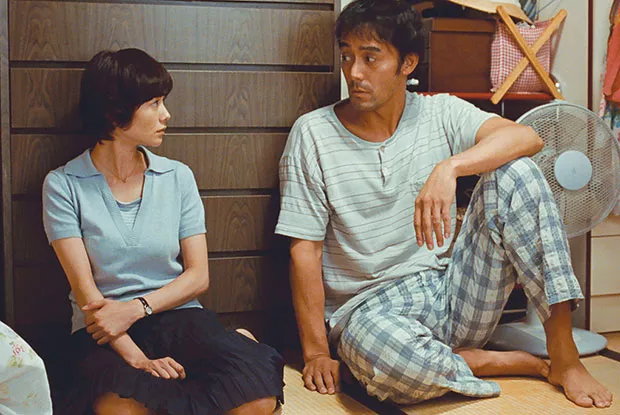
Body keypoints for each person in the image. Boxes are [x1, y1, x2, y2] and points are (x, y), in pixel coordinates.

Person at [275, 0, 613, 409]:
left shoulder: (439, 111)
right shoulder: (312, 134)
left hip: (450, 292)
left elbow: (527, 138)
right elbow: (305, 251)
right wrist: (316, 353)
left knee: (518, 173)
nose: (354, 73)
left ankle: (563, 355)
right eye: (347, 56)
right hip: (368, 315)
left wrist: (450, 167)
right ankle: (495, 361)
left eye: (370, 58)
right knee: (386, 357)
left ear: (407, 63)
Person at [42, 48, 284, 415]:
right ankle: (232, 346)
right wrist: (138, 359)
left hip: (179, 320)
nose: (166, 114)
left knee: (257, 399)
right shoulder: (63, 185)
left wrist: (137, 308)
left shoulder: (177, 176)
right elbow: (90, 300)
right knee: (123, 410)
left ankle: (233, 345)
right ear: (115, 113)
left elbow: (198, 276)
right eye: (154, 103)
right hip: (106, 335)